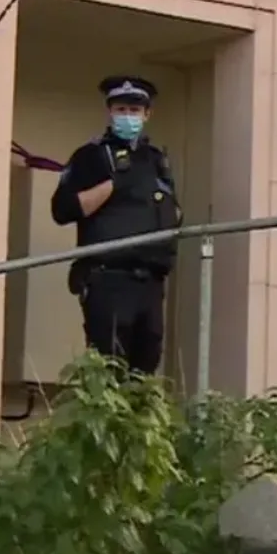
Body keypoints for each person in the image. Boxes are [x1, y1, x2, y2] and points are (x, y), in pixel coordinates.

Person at [50, 76, 183, 375]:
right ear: (109, 112)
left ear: (147, 114)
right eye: (121, 109)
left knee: (145, 370)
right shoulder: (92, 156)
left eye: (135, 111)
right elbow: (62, 210)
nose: (128, 117)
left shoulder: (156, 160)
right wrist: (114, 184)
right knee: (108, 368)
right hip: (108, 279)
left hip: (150, 281)